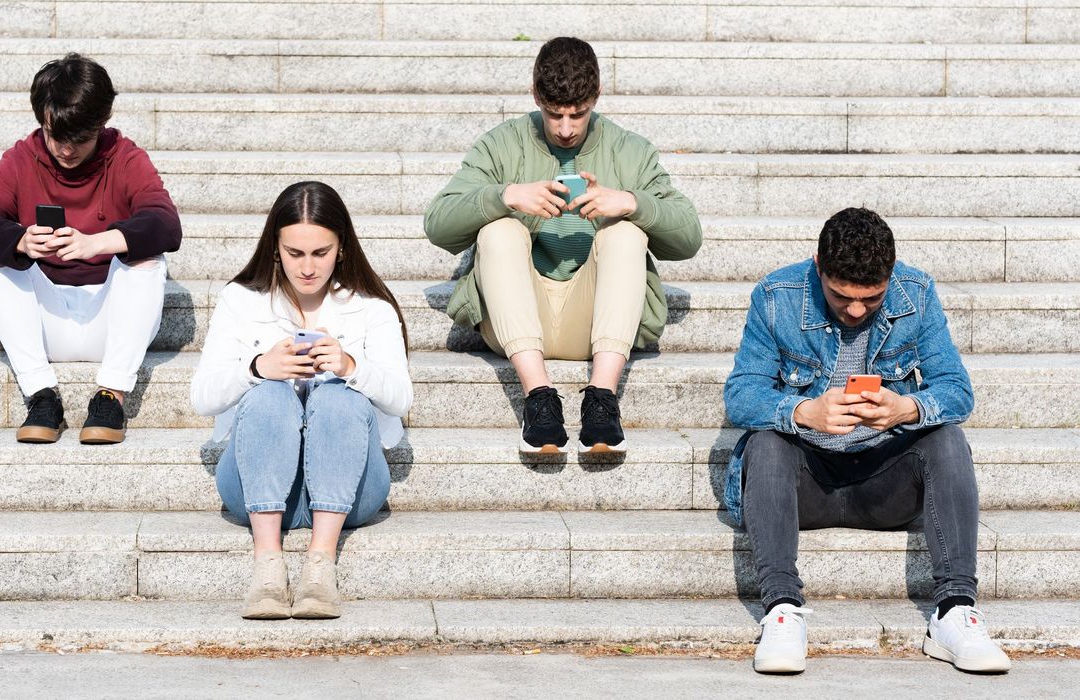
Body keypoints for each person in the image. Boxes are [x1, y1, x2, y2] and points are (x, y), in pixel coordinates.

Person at [723, 207, 1010, 674]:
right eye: (841, 297)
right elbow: (740, 394)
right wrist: (801, 412)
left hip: (884, 484)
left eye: (871, 299)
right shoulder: (777, 295)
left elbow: (957, 391)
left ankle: (954, 611)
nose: (855, 310)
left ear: (890, 275)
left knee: (947, 438)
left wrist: (908, 408)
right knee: (766, 442)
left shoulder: (917, 294)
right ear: (818, 266)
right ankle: (781, 609)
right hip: (805, 484)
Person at [424, 36, 701, 455]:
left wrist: (630, 203)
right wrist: (505, 196)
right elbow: (438, 225)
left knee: (625, 231)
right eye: (554, 115)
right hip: (515, 321)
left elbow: (689, 238)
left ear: (597, 97)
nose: (567, 128)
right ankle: (539, 399)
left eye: (578, 114)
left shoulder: (630, 150)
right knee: (499, 231)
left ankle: (602, 400)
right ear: (536, 96)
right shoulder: (502, 143)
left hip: (595, 323)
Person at [191, 181, 412, 620]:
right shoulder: (241, 300)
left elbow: (401, 398)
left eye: (320, 253)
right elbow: (202, 398)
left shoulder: (371, 308)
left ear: (342, 248)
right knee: (269, 393)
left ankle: (320, 566)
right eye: (295, 253)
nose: (308, 267)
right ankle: (268, 567)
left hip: (353, 490)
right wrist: (257, 368)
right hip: (256, 488)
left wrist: (351, 367)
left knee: (337, 396)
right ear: (275, 248)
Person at [0, 53, 181, 445]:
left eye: (79, 138)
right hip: (44, 321)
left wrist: (97, 241)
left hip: (113, 323)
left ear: (101, 123)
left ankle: (111, 396)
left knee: (147, 258)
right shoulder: (20, 158)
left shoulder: (126, 157)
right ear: (42, 120)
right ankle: (42, 396)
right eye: (55, 135)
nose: (65, 150)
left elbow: (166, 224)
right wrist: (21, 241)